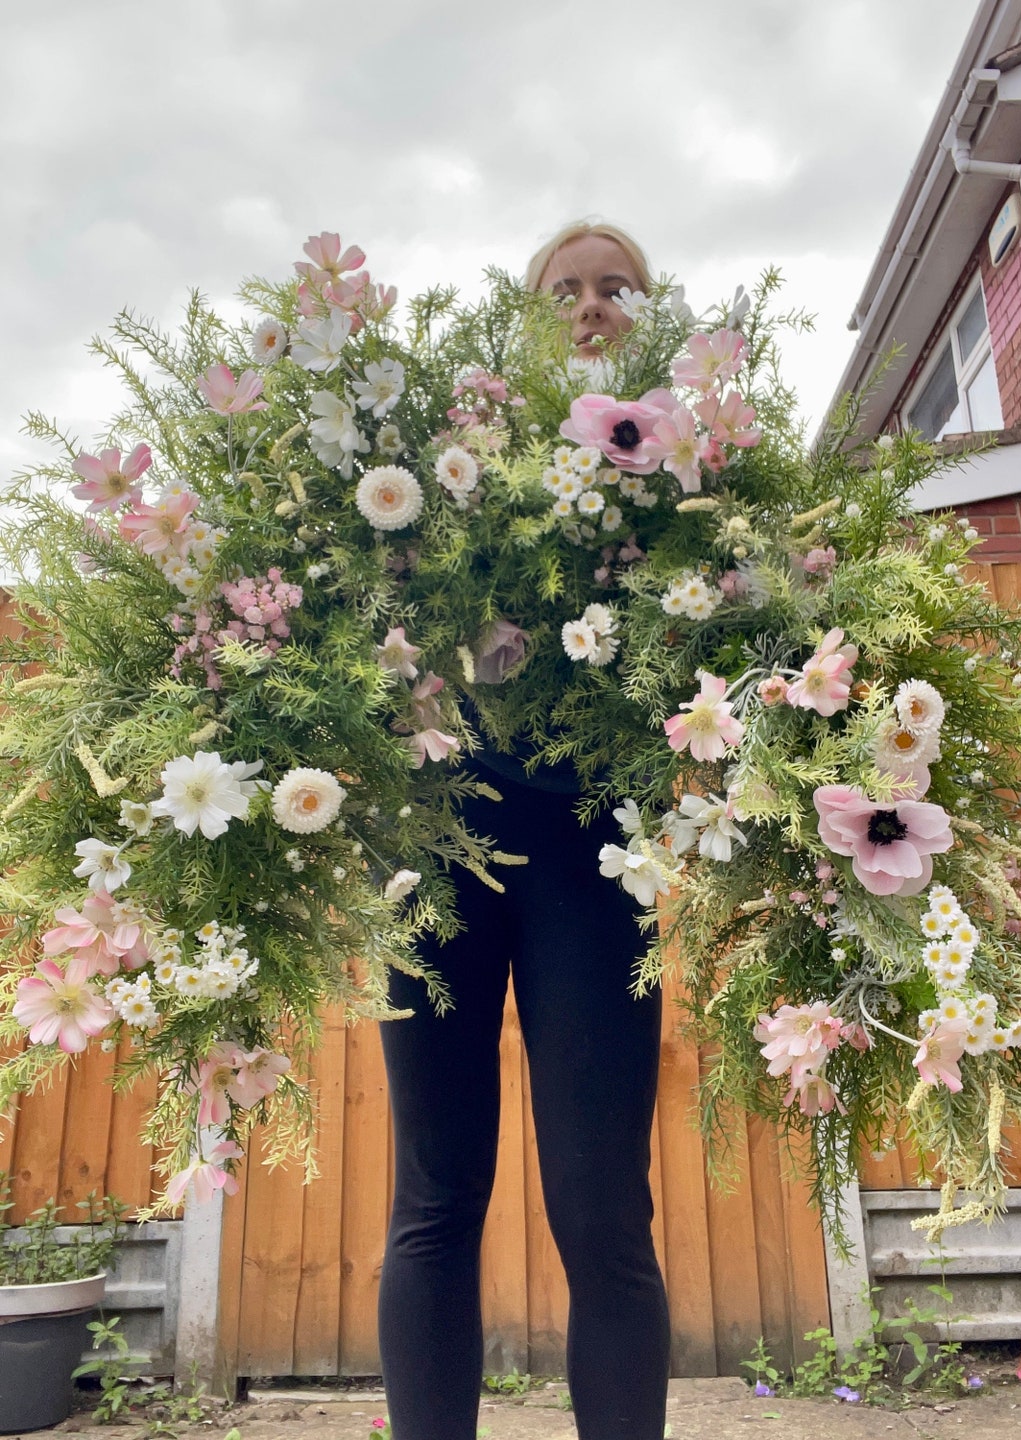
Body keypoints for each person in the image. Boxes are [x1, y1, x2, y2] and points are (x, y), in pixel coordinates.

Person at [378, 222, 671, 1440]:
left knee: (604, 1210)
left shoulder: (691, 477)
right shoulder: (456, 457)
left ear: (651, 321)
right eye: (566, 289)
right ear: (525, 318)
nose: (592, 306)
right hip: (439, 843)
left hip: (596, 863)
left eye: (620, 290)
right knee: (437, 1200)